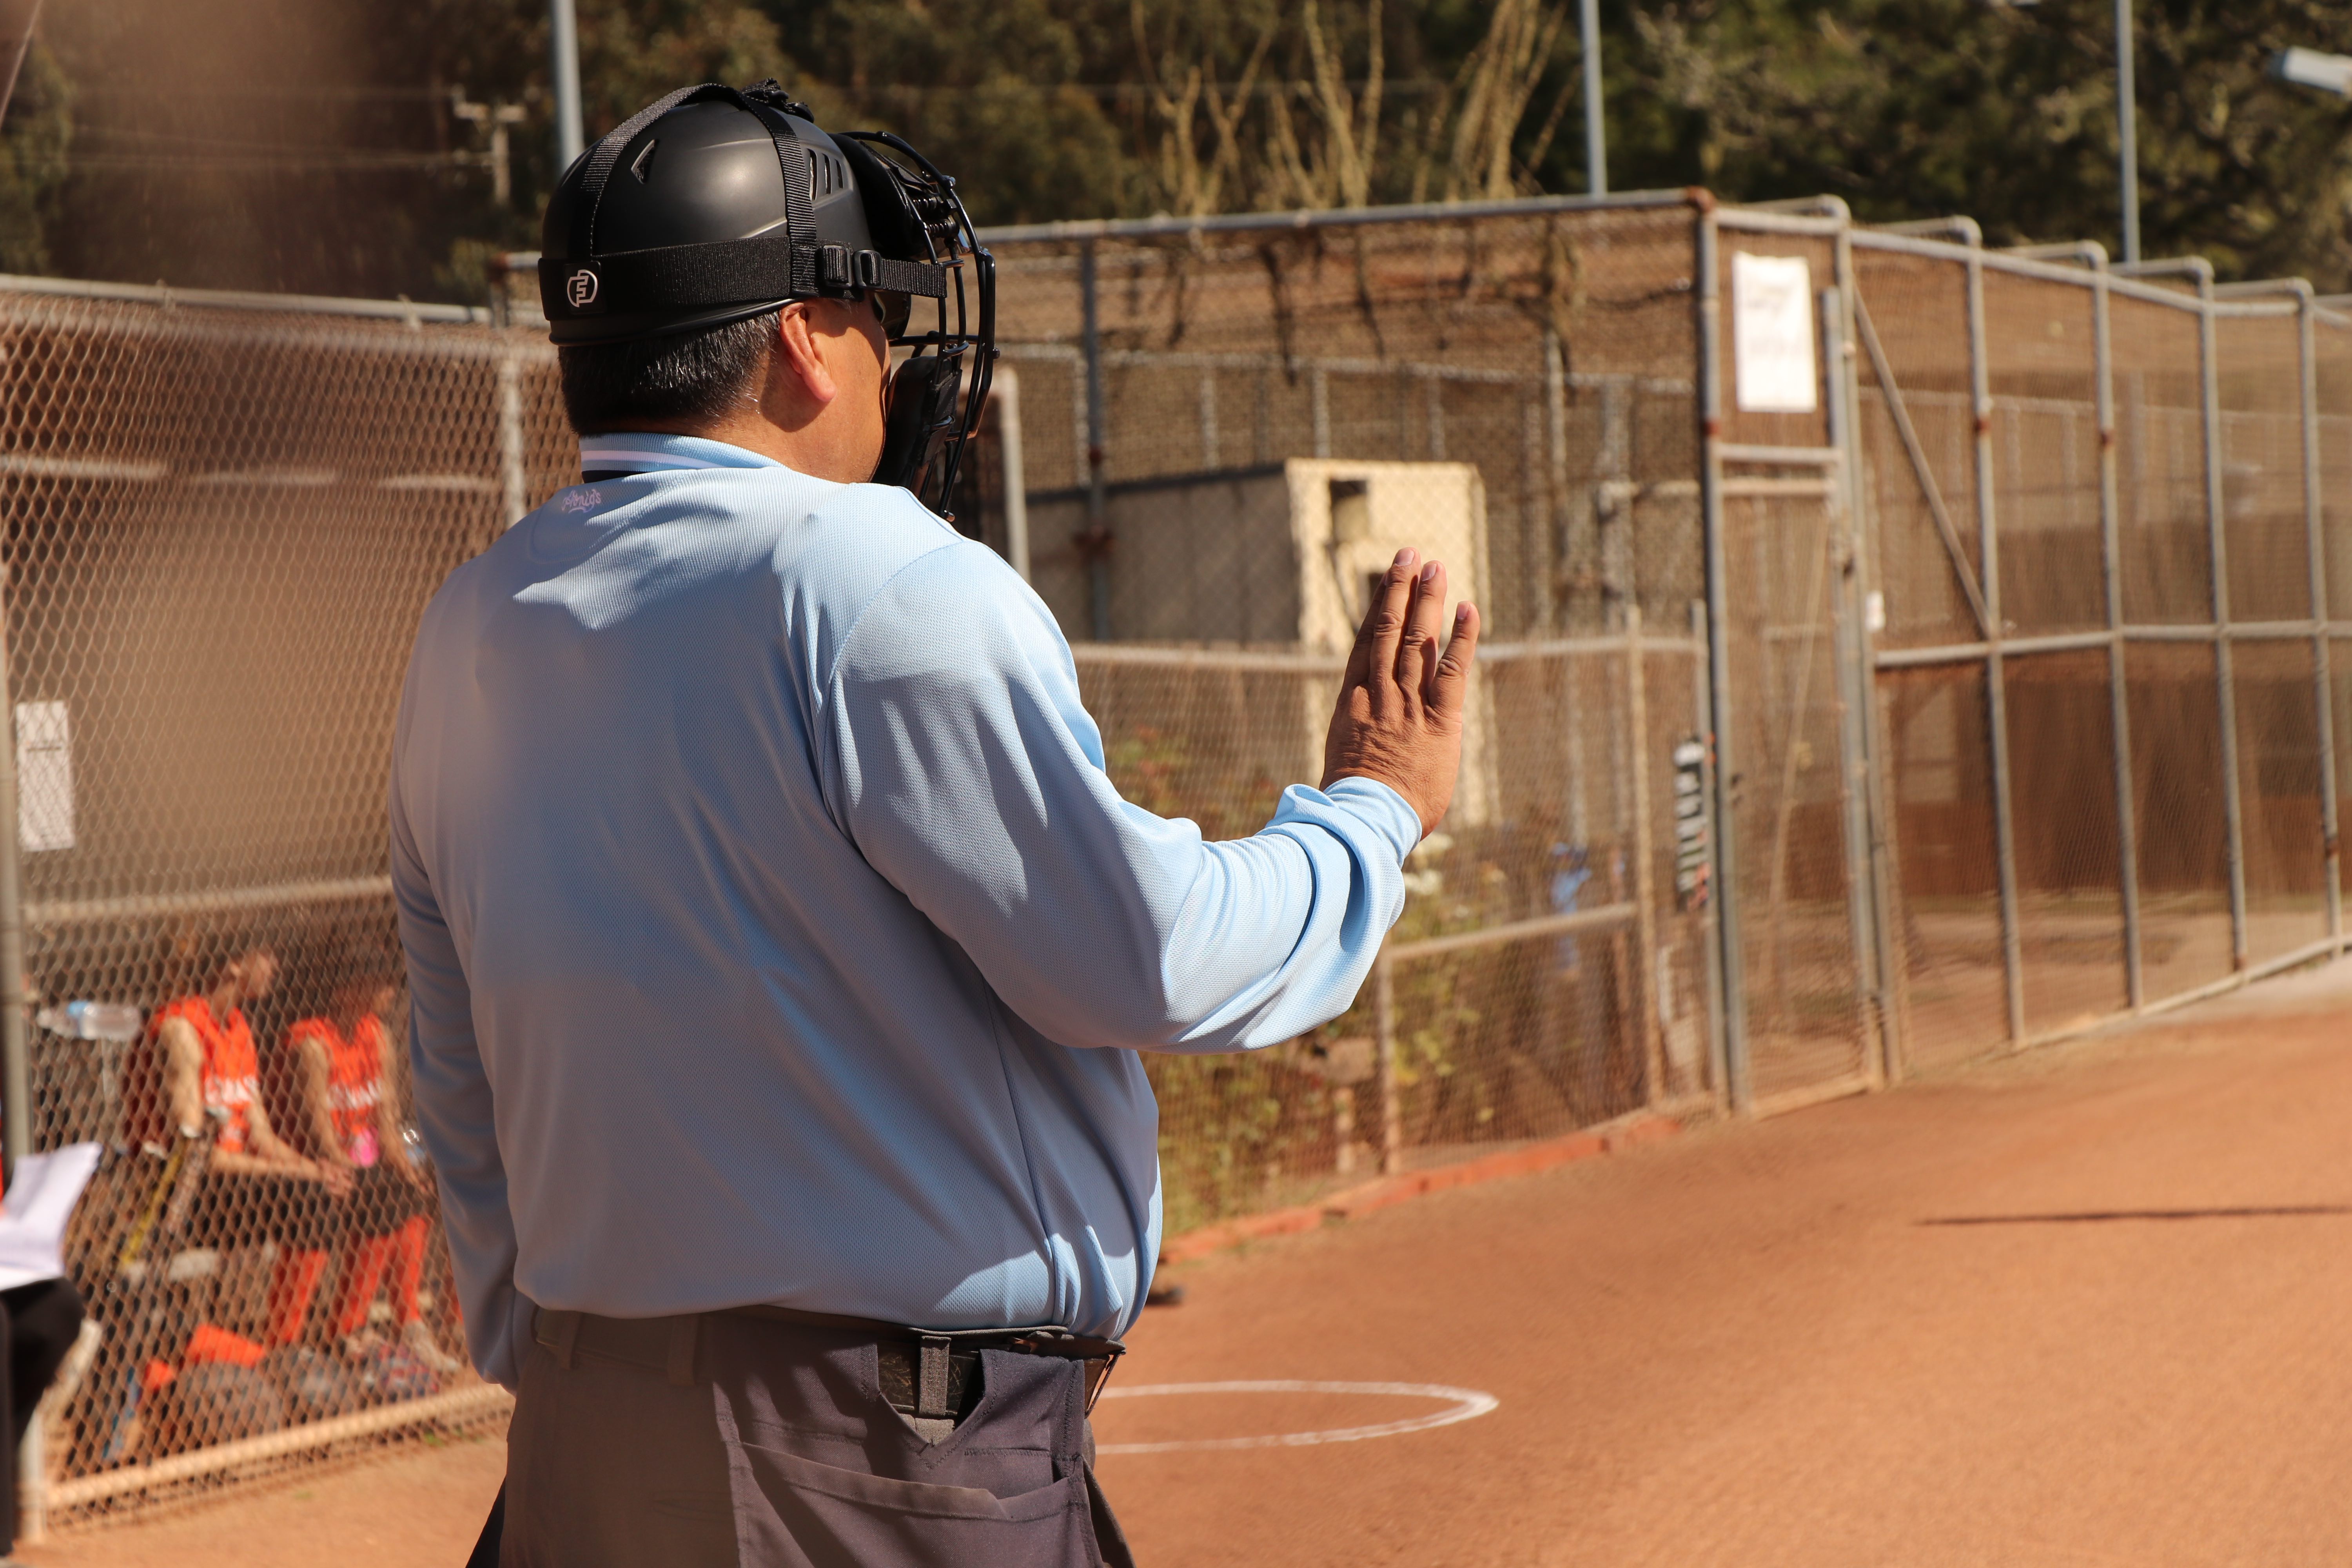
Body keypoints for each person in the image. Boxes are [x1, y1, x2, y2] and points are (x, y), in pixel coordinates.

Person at [393, 81, 1478, 1567]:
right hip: (877, 1458)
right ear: (796, 338)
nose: (892, 361)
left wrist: (568, 1363)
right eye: (873, 322)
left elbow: (453, 1065)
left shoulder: (474, 620)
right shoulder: (874, 576)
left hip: (585, 1441)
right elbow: (1147, 957)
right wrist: (1372, 811)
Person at [127, 942, 350, 1348]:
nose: (275, 964)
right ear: (233, 964)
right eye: (265, 954)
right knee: (310, 1197)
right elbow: (198, 1158)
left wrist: (316, 1169)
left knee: (326, 1189)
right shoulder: (182, 1030)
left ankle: (289, 1342)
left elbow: (261, 1137)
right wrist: (302, 1176)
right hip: (181, 1192)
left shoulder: (238, 1028)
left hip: (230, 1183)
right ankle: (282, 1348)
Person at [276, 940, 458, 1373]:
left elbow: (389, 1121)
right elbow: (320, 1128)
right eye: (376, 984)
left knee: (412, 1195)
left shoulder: (376, 1034)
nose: (389, 992)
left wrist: (407, 1170)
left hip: (367, 1159)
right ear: (344, 991)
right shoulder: (314, 1043)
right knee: (383, 1197)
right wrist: (353, 1168)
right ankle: (347, 1327)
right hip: (319, 1162)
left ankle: (410, 1323)